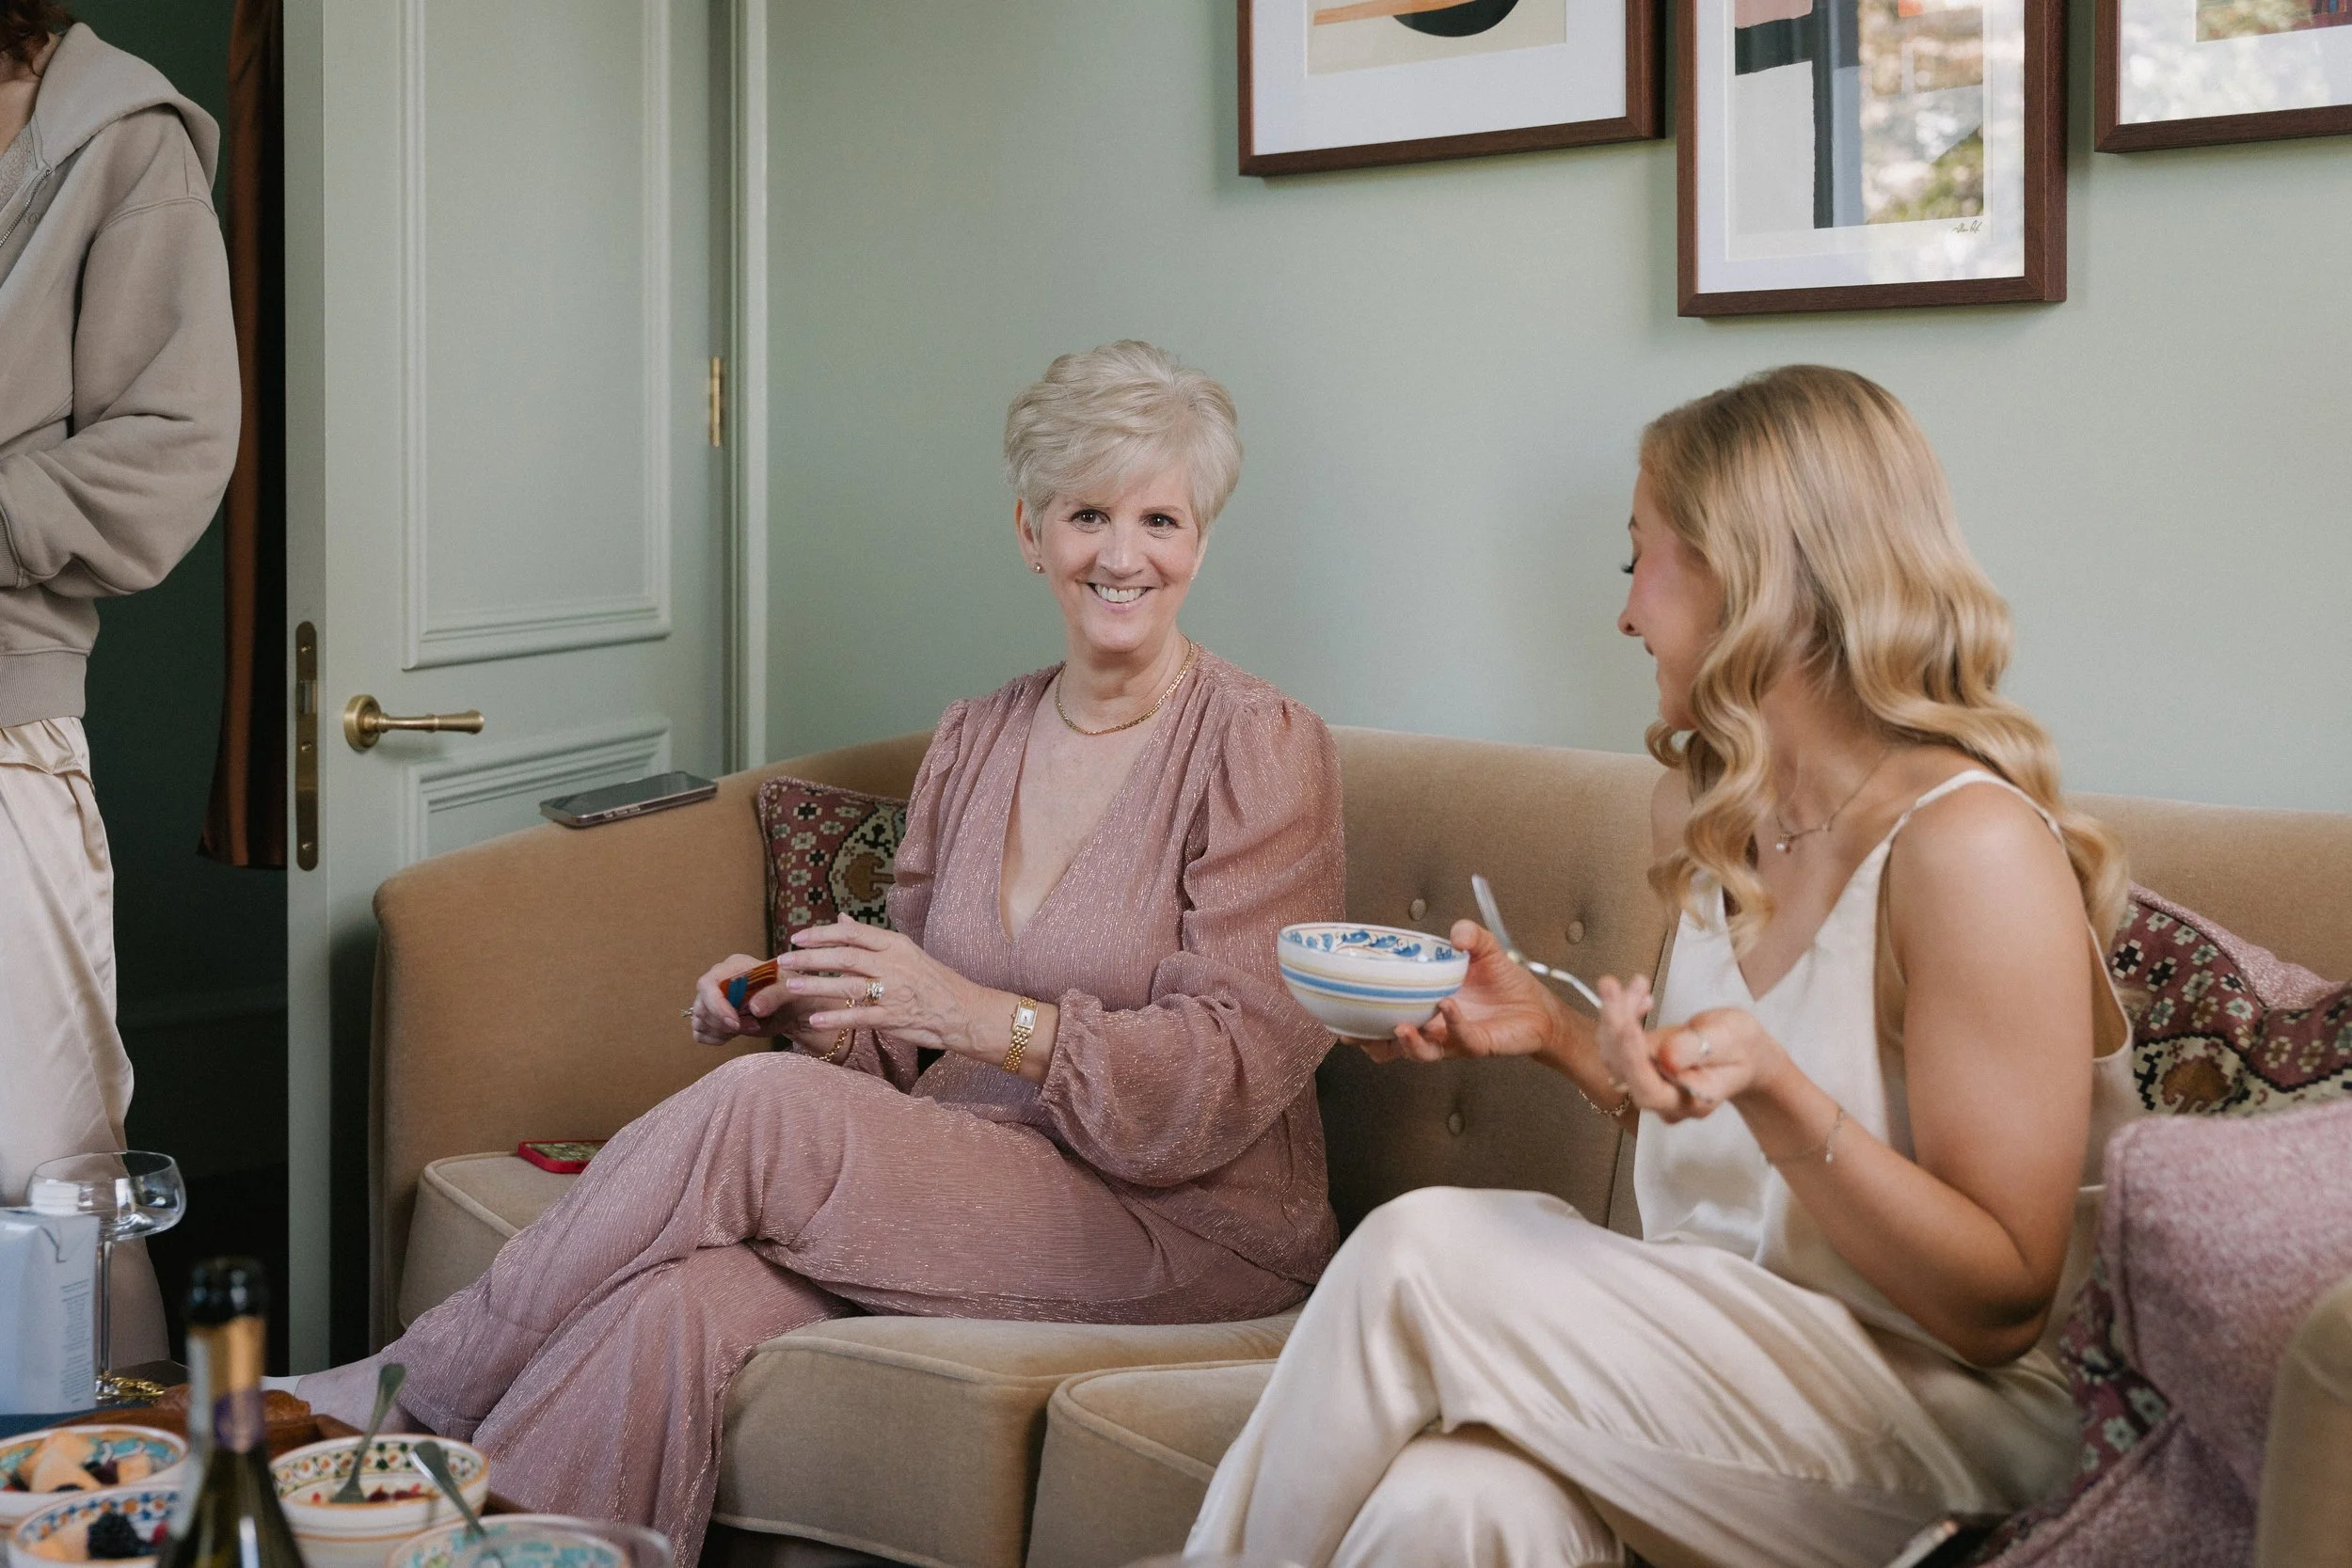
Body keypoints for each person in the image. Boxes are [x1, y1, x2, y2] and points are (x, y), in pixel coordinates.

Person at [299, 341, 1346, 1568]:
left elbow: (1228, 1069)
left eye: (1159, 517)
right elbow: (897, 1043)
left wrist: (973, 1014)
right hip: (983, 1172)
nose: (1122, 553)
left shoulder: (1261, 745)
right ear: (1030, 529)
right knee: (672, 1303)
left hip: (1186, 1220)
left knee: (759, 1110)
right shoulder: (976, 735)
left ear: (1201, 537)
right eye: (1087, 514)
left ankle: (412, 1384)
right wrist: (804, 1004)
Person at [1186, 365, 2140, 1568]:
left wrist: (1781, 1093)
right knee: (1456, 1501)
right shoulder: (1705, 807)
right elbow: (1723, 1130)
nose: (1627, 611)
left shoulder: (1968, 846)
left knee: (1417, 1253)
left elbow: (1998, 1301)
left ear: (1754, 575)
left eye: (1642, 558)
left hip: (1959, 1428)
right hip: (1734, 1374)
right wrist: (1554, 1034)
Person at [0, 3, 239, 1363]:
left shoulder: (122, 138)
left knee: (57, 1174)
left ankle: (116, 1498)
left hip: (5, 725)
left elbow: (170, 448)